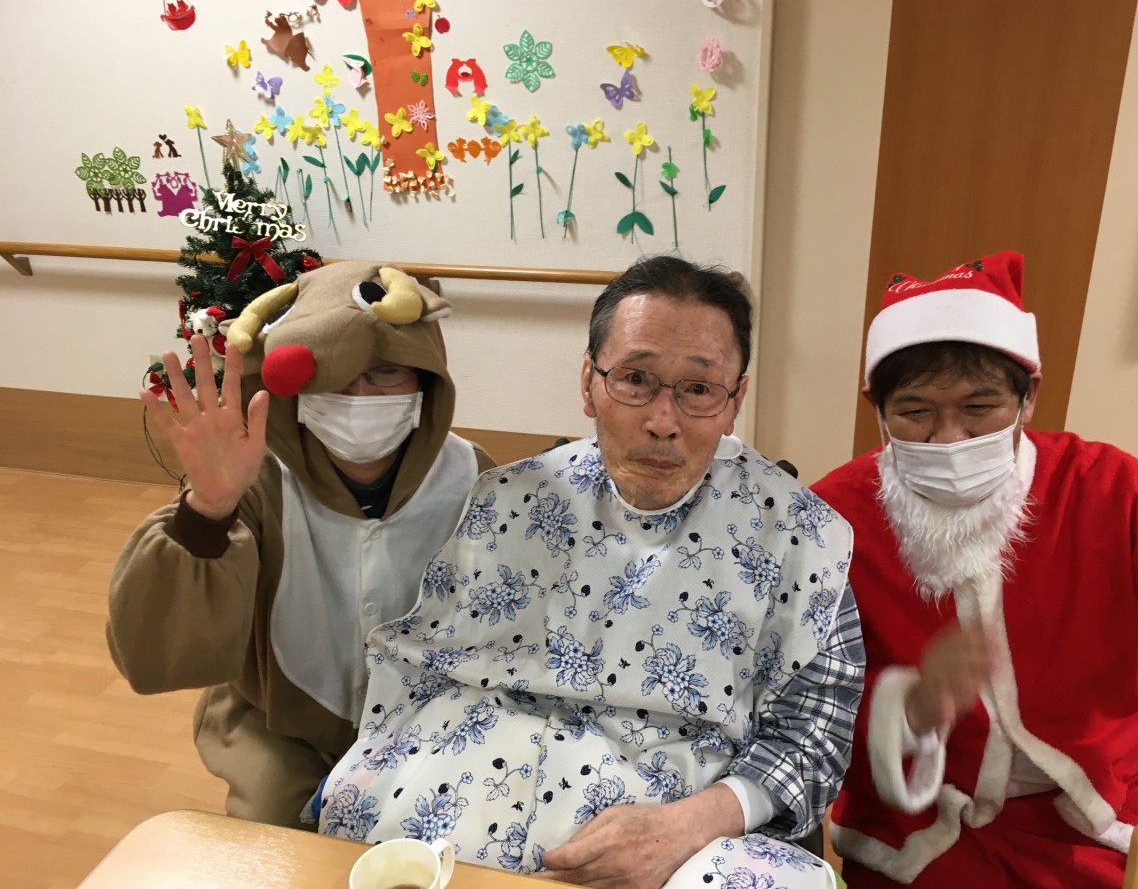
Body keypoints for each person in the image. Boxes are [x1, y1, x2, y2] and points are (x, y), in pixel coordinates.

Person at [313, 256, 864, 888]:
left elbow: (815, 735)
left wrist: (689, 825)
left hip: (688, 816)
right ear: (588, 382)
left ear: (735, 399)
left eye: (699, 389)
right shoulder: (511, 500)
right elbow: (428, 667)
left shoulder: (799, 538)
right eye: (635, 378)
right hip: (478, 775)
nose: (663, 422)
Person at [812, 250, 1138, 887]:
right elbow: (801, 702)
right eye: (915, 412)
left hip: (1113, 800)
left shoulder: (1109, 490)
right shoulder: (830, 522)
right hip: (921, 820)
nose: (949, 440)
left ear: (1029, 398)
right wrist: (911, 710)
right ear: (876, 408)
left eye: (980, 408)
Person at [108, 260, 493, 827]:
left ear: (426, 381)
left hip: (431, 717)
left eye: (386, 373)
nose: (359, 395)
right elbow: (153, 655)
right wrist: (208, 511)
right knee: (275, 836)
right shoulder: (257, 479)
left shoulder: (472, 476)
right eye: (334, 376)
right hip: (281, 721)